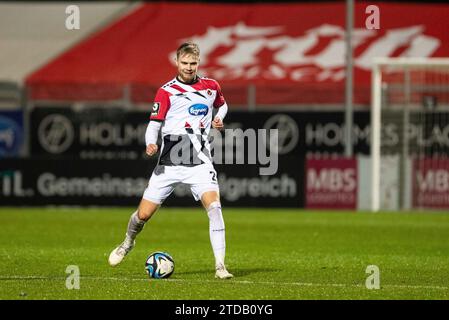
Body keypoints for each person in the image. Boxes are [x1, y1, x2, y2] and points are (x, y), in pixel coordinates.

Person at [108, 42, 233, 279]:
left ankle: (220, 266)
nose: (188, 67)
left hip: (200, 161)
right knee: (143, 215)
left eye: (192, 63)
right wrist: (150, 143)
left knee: (215, 208)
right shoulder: (166, 91)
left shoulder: (211, 86)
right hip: (170, 162)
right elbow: (154, 124)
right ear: (177, 62)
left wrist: (218, 117)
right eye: (184, 63)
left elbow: (222, 104)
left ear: (198, 62)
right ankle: (128, 242)